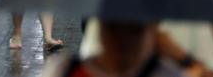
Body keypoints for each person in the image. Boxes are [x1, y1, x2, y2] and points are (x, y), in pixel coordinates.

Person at [43, 21, 184, 77]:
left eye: (135, 31)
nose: (124, 40)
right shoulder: (65, 70)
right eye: (114, 29)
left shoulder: (166, 73)